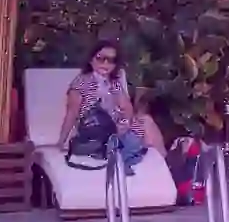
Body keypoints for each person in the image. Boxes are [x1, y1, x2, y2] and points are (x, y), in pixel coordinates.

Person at [57, 41, 163, 175]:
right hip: (95, 131)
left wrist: (126, 123)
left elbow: (127, 107)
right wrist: (61, 142)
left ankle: (163, 168)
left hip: (116, 129)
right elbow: (72, 113)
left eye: (111, 60)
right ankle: (129, 161)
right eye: (101, 59)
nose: (106, 64)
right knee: (138, 137)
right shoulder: (81, 82)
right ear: (91, 60)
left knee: (146, 122)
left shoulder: (114, 83)